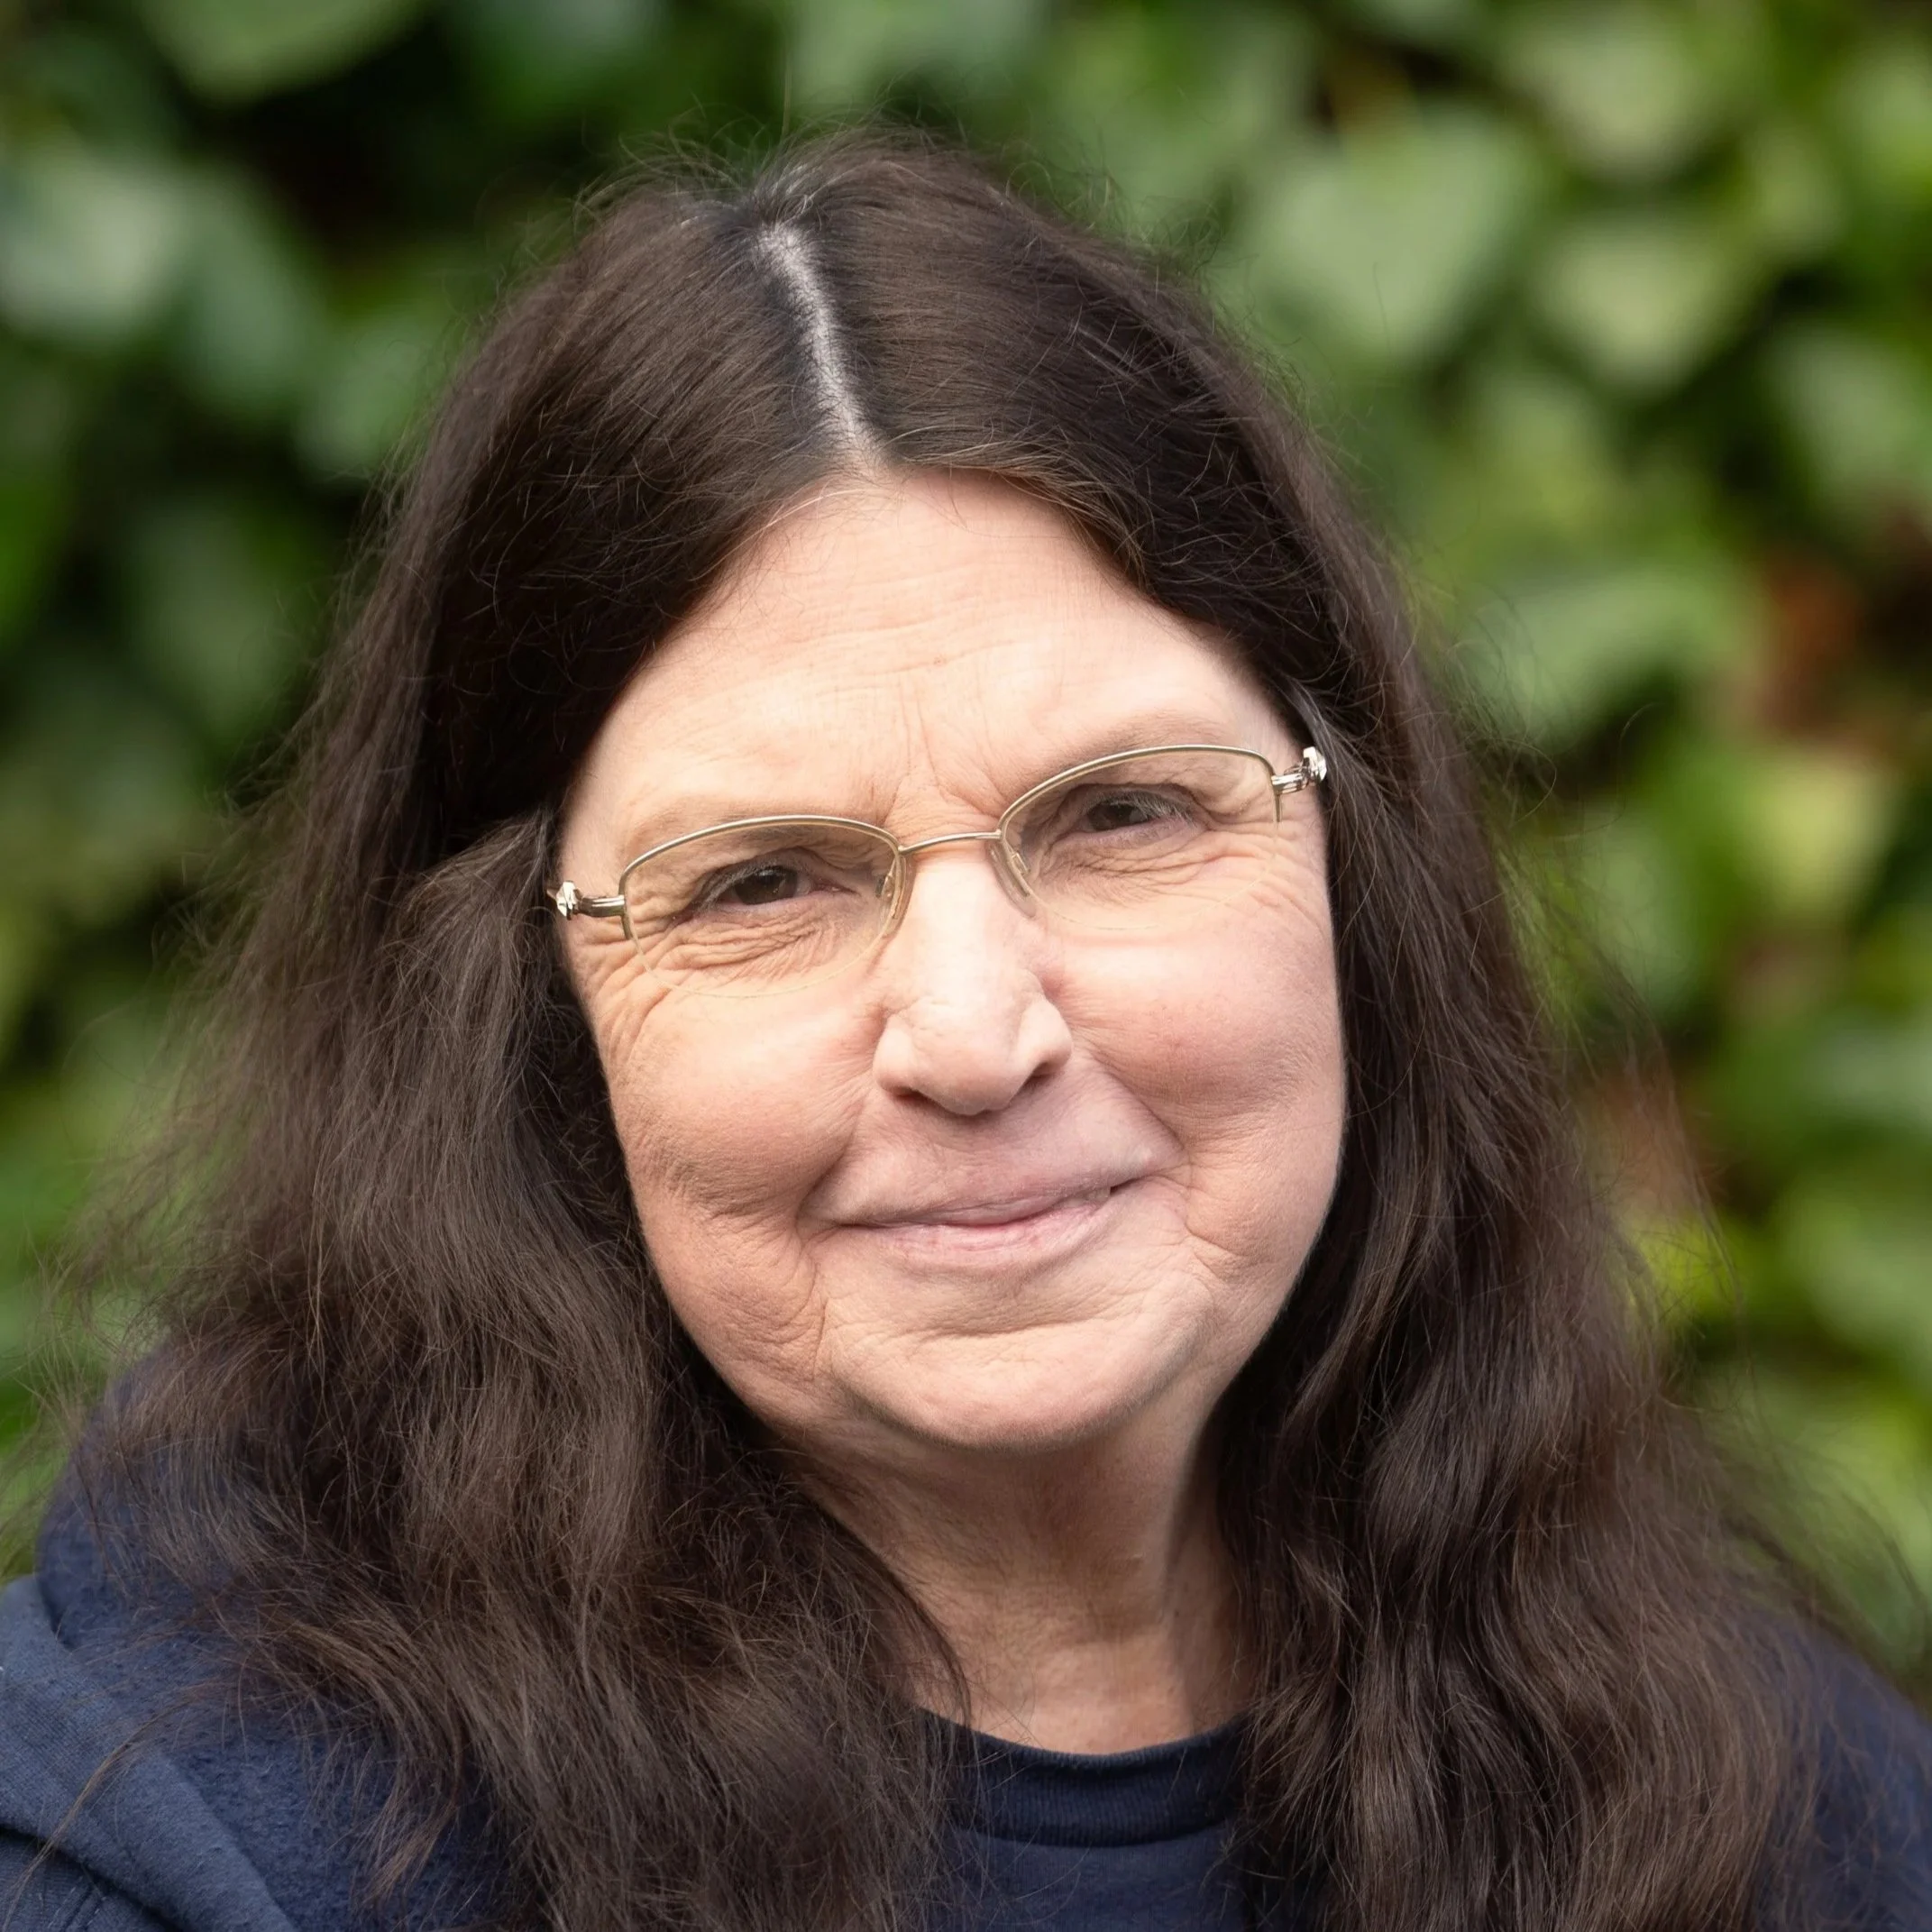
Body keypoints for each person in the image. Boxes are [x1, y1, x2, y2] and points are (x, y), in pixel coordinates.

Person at [0, 134, 1927, 1932]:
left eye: (1124, 813)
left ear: (1358, 861)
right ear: (517, 1013)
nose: (975, 1031)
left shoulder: (1772, 1806)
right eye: (761, 882)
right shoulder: (190, 1841)